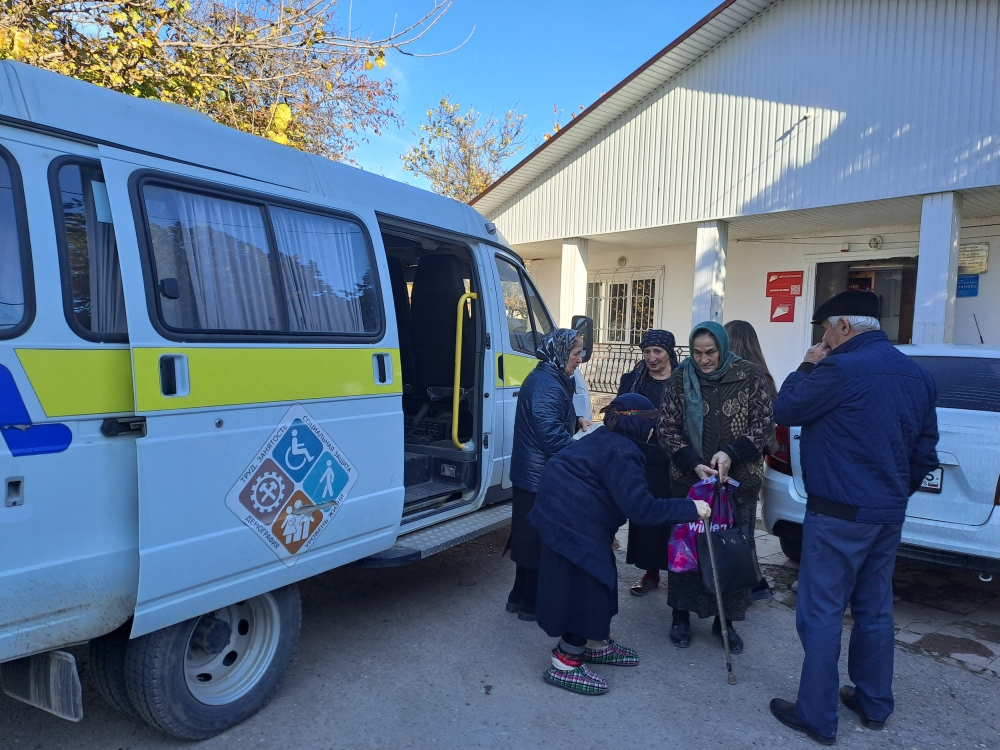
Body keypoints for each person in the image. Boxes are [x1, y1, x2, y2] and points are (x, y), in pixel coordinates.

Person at [768, 291, 938, 745]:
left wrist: (807, 365)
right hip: (886, 515)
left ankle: (817, 716)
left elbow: (784, 411)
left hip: (839, 513)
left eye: (825, 330)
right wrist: (893, 493)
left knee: (821, 614)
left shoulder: (838, 368)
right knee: (874, 610)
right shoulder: (917, 374)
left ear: (843, 327)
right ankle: (874, 702)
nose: (823, 339)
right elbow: (925, 453)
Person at [528, 393, 711, 695]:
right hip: (569, 520)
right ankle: (565, 660)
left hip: (564, 511)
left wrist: (692, 465)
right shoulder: (622, 453)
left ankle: (596, 642)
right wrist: (692, 508)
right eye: (653, 423)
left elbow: (643, 460)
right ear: (641, 423)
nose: (654, 430)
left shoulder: (608, 437)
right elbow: (642, 509)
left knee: (604, 580)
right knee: (587, 586)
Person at [657, 321, 774, 653]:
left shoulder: (749, 375)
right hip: (689, 482)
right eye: (697, 352)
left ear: (723, 348)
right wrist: (693, 462)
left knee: (731, 553)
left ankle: (726, 621)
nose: (704, 359)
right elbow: (667, 427)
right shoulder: (682, 376)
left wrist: (731, 453)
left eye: (711, 352)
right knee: (686, 551)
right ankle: (680, 615)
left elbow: (763, 424)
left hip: (736, 484)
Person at [506, 328, 589, 621]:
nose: (580, 359)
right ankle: (530, 604)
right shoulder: (547, 384)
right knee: (537, 542)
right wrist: (585, 454)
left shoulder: (549, 377)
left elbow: (551, 419)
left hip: (533, 473)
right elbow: (551, 437)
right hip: (538, 476)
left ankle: (519, 597)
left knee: (528, 538)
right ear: (559, 353)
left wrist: (576, 419)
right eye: (576, 353)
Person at [616, 329, 679, 597]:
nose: (652, 358)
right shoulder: (633, 380)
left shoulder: (683, 380)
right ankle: (650, 572)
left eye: (658, 352)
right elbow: (620, 412)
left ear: (669, 353)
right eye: (647, 351)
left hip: (677, 460)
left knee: (675, 519)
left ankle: (679, 574)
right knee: (646, 519)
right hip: (643, 459)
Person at [724, 319, 777, 603]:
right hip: (753, 465)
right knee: (741, 526)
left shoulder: (736, 378)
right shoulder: (765, 377)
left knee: (729, 527)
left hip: (732, 462)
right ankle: (755, 583)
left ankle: (741, 586)